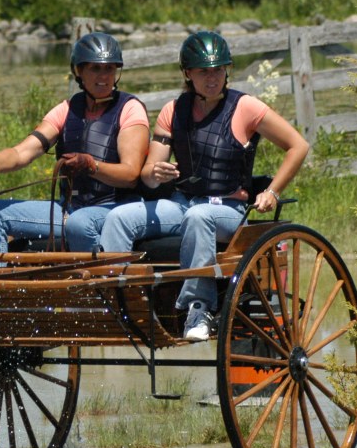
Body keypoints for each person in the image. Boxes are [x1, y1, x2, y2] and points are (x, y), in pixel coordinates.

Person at [98, 30, 309, 341]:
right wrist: (155, 172)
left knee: (199, 217)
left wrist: (272, 191)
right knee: (119, 217)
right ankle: (120, 304)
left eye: (218, 70)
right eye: (204, 72)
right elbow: (147, 174)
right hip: (182, 203)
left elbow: (298, 146)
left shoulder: (246, 107)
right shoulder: (173, 111)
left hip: (228, 209)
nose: (212, 78)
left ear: (227, 71)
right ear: (188, 73)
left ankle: (199, 308)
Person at [0, 32, 148, 253]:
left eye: (109, 68)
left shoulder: (130, 109)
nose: (104, 76)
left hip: (115, 210)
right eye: (95, 68)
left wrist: (92, 166)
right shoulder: (66, 110)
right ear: (79, 71)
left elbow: (130, 175)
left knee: (80, 222)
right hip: (69, 210)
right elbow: (22, 153)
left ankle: (96, 276)